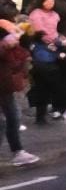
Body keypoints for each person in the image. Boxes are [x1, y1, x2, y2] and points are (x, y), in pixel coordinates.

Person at [26, 0, 66, 122]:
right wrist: (57, 41)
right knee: (44, 83)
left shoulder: (55, 15)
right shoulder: (36, 14)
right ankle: (41, 113)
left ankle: (54, 110)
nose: (51, 2)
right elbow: (41, 33)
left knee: (54, 83)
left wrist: (61, 39)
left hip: (55, 49)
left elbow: (55, 30)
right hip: (42, 49)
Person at [0, 24, 38, 166]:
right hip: (4, 85)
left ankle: (18, 151)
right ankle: (17, 151)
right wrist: (5, 45)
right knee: (5, 120)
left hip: (5, 86)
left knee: (12, 117)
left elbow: (17, 59)